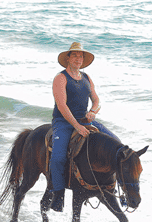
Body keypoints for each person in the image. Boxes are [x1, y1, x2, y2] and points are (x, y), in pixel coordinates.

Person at [49, 42, 119, 212]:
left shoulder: (87, 78)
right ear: (68, 58)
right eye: (74, 55)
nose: (78, 59)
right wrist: (77, 126)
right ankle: (58, 194)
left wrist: (93, 111)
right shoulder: (61, 77)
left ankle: (114, 187)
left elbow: (96, 100)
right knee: (57, 158)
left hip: (86, 120)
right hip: (64, 122)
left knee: (118, 146)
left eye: (81, 56)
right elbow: (62, 106)